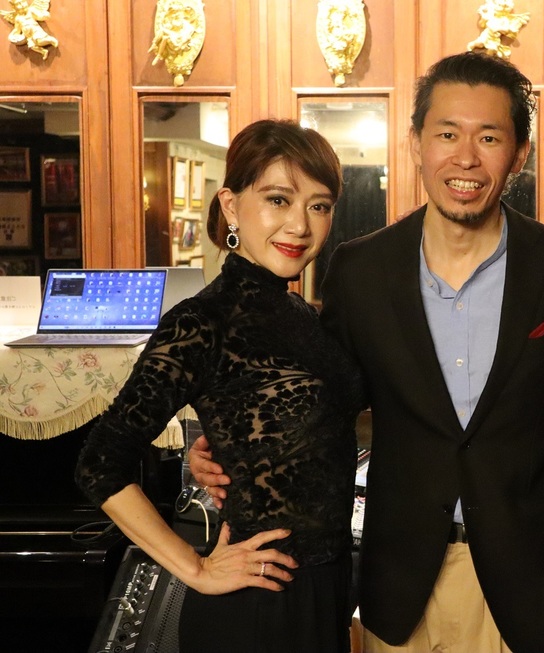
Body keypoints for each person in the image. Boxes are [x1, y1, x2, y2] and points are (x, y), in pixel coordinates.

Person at [191, 52, 544, 653]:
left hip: (536, 584)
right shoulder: (359, 270)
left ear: (518, 155)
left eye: (489, 137)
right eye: (447, 134)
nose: (466, 158)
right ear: (415, 142)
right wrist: (232, 444)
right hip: (401, 583)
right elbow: (323, 398)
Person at [75, 119, 363, 653]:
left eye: (319, 206)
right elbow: (99, 464)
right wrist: (197, 569)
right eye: (278, 200)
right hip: (257, 604)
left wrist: (227, 445)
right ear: (231, 205)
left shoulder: (303, 313)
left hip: (326, 589)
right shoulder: (200, 323)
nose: (300, 225)